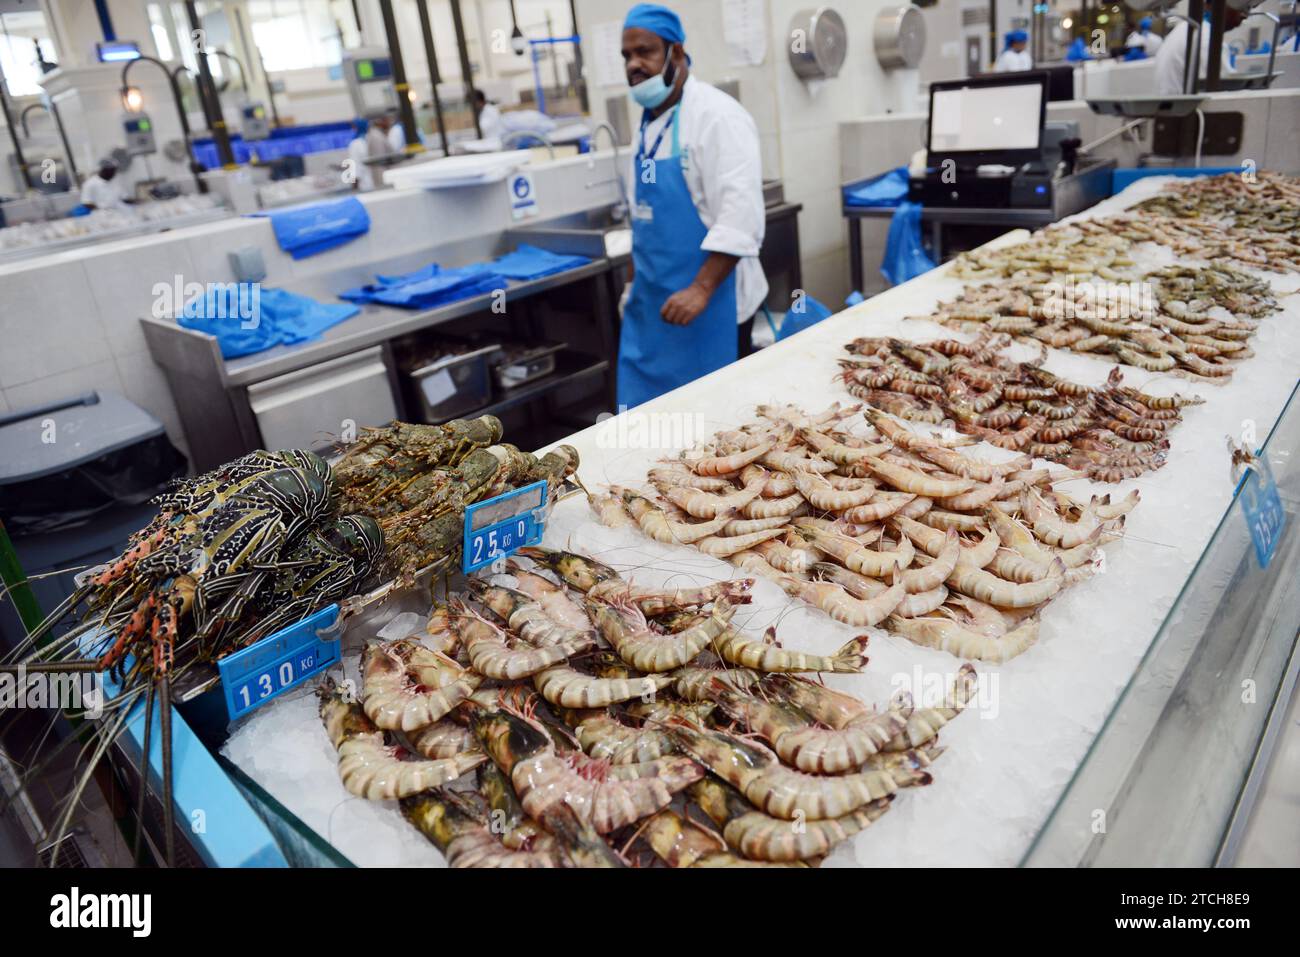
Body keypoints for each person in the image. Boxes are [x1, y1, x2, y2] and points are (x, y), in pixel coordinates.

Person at [615, 3, 767, 410]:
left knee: (714, 421)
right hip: (656, 307)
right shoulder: (647, 125)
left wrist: (701, 289)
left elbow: (741, 217)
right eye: (627, 56)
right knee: (652, 421)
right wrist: (633, 286)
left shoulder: (718, 117)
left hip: (714, 303)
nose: (634, 64)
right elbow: (641, 219)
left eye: (644, 51)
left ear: (676, 54)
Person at [1154, 9, 1244, 95]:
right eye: (1240, 6)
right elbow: (1228, 91)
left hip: (1173, 104)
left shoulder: (1185, 28)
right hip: (1186, 108)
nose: (1244, 15)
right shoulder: (1208, 39)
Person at [346, 118, 377, 191]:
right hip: (377, 183)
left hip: (365, 186)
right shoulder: (371, 139)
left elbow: (355, 170)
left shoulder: (355, 144)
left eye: (354, 127)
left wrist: (354, 188)